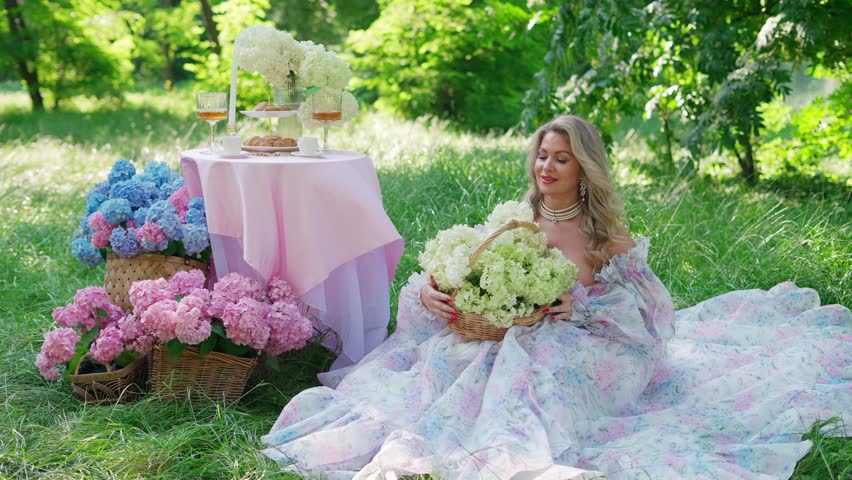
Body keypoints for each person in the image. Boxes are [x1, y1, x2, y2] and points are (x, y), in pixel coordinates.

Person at [262, 115, 851, 480]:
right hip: (506, 333)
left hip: (586, 344)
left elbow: (650, 313)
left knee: (537, 372)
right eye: (542, 155)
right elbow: (463, 274)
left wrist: (581, 306)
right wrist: (435, 295)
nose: (547, 166)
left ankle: (517, 449)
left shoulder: (604, 234)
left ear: (583, 166)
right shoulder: (517, 218)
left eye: (561, 158)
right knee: (447, 360)